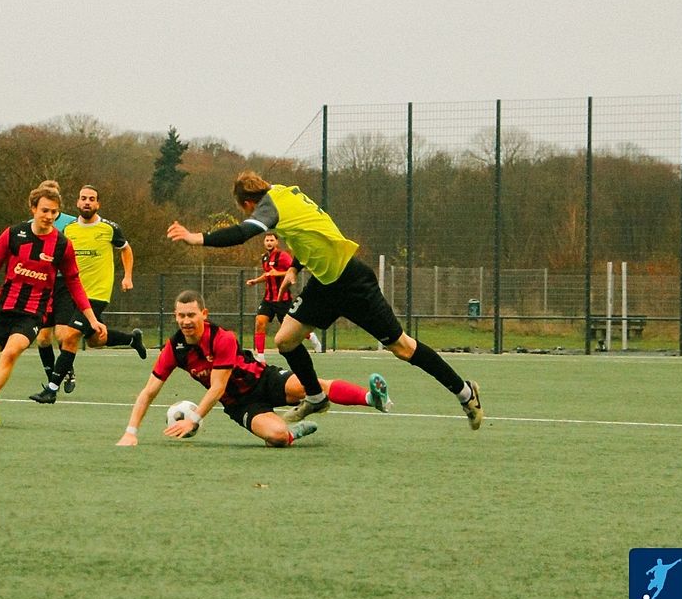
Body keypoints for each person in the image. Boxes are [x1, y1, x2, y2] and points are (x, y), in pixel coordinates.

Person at [167, 170, 484, 430]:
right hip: (324, 284)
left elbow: (240, 233)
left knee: (402, 347)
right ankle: (316, 398)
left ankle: (465, 392)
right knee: (286, 340)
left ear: (249, 203)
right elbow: (310, 232)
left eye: (245, 210)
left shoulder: (268, 206)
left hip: (353, 282)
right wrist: (295, 267)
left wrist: (197, 238)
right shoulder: (283, 193)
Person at [116, 290, 391, 447]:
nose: (186, 321)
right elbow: (148, 392)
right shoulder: (174, 349)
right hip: (241, 405)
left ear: (204, 314)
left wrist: (194, 419)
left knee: (315, 386)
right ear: (175, 316)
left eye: (191, 315)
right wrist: (131, 432)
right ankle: (293, 431)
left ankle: (372, 398)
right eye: (181, 315)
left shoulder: (222, 337)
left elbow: (218, 386)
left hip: (265, 380)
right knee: (277, 437)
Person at [0, 181, 106, 428]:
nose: (50, 216)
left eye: (54, 212)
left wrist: (92, 319)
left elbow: (75, 285)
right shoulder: (13, 234)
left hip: (32, 313)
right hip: (3, 308)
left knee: (10, 353)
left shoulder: (62, 245)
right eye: (45, 211)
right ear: (33, 209)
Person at [29, 184, 145, 404]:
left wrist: (127, 276)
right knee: (94, 339)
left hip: (97, 294)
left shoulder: (110, 228)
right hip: (72, 292)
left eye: (92, 199)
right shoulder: (70, 229)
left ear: (98, 204)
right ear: (77, 202)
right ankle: (132, 339)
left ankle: (51, 389)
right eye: (83, 198)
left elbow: (126, 249)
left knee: (70, 336)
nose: (87, 202)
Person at [245, 231, 322, 362]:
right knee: (259, 322)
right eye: (267, 240)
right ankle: (261, 357)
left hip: (283, 299)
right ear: (264, 243)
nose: (269, 243)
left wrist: (278, 273)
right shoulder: (265, 258)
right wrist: (255, 281)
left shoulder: (282, 256)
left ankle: (312, 337)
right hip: (268, 299)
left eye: (271, 240)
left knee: (291, 329)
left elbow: (292, 270)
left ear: (276, 242)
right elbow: (268, 275)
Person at [31, 180, 77, 382]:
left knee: (62, 334)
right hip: (42, 284)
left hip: (63, 285)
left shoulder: (71, 223)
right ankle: (52, 377)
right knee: (42, 338)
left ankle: (66, 371)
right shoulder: (33, 223)